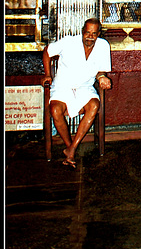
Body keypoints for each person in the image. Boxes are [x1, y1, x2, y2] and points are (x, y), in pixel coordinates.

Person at [42, 17, 112, 168]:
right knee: (55, 109)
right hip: (63, 85)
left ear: (99, 33)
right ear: (82, 32)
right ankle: (70, 146)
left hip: (84, 87)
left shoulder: (103, 46)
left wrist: (101, 77)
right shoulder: (69, 42)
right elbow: (47, 51)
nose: (90, 37)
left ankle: (71, 149)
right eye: (87, 33)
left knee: (94, 105)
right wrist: (48, 74)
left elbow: (101, 70)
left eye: (94, 33)